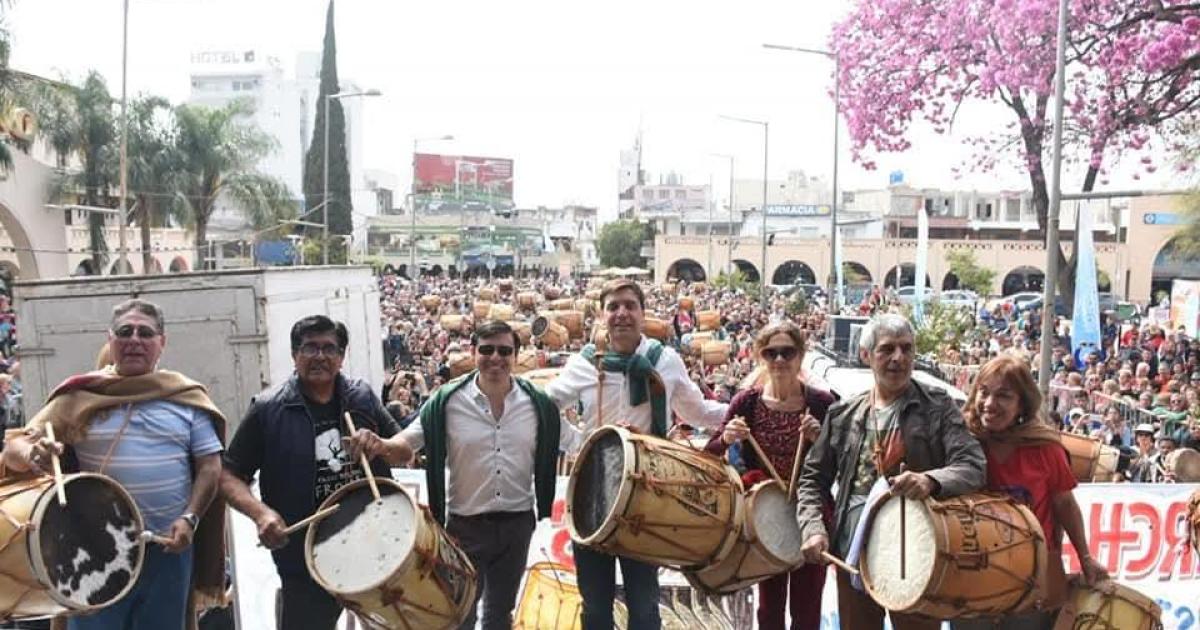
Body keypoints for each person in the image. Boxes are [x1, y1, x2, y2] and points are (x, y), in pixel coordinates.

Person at [2, 299, 226, 630]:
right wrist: (36, 454)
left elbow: (210, 467)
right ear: (110, 340)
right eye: (125, 332)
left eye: (145, 333)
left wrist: (190, 518)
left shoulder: (186, 399)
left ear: (161, 342)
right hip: (93, 555)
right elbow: (14, 449)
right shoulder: (79, 398)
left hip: (168, 550)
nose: (134, 339)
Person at [546, 278, 728, 630]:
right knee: (596, 606)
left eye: (630, 305)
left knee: (644, 606)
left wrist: (744, 407)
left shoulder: (665, 360)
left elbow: (697, 413)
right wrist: (577, 444)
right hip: (592, 494)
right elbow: (547, 405)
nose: (622, 314)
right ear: (603, 316)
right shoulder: (586, 363)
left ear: (643, 315)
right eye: (613, 307)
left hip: (647, 497)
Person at [795, 313, 986, 630]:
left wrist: (930, 480)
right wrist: (813, 527)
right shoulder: (843, 414)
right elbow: (813, 479)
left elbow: (972, 465)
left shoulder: (937, 407)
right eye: (887, 349)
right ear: (865, 355)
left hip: (917, 556)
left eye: (906, 348)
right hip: (851, 556)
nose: (899, 358)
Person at [220, 315, 404, 630]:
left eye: (329, 348)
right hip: (306, 558)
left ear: (341, 357)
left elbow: (406, 452)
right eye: (310, 348)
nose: (320, 356)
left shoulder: (362, 397)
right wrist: (261, 514)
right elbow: (227, 475)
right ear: (295, 355)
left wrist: (382, 445)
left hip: (374, 546)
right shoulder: (268, 409)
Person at [389, 320, 571, 630]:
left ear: (516, 355)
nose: (495, 358)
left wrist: (615, 435)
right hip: (464, 528)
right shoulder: (445, 402)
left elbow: (575, 440)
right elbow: (407, 442)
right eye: (486, 349)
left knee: (499, 615)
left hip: (516, 525)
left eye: (504, 350)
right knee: (460, 614)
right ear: (473, 352)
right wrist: (379, 445)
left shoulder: (538, 405)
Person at [954, 354, 1109, 629]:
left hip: (1033, 580)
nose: (989, 404)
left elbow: (1064, 504)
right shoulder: (963, 440)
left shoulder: (1045, 447)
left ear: (1022, 403)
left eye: (1003, 396)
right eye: (984, 392)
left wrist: (1085, 556)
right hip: (973, 575)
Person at [703, 321, 833, 630]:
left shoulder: (823, 404)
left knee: (807, 610)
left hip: (810, 515)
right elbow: (710, 453)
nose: (779, 360)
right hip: (765, 516)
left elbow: (841, 463)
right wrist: (727, 439)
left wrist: (822, 441)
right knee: (769, 610)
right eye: (771, 352)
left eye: (787, 352)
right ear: (761, 356)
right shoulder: (746, 402)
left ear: (800, 356)